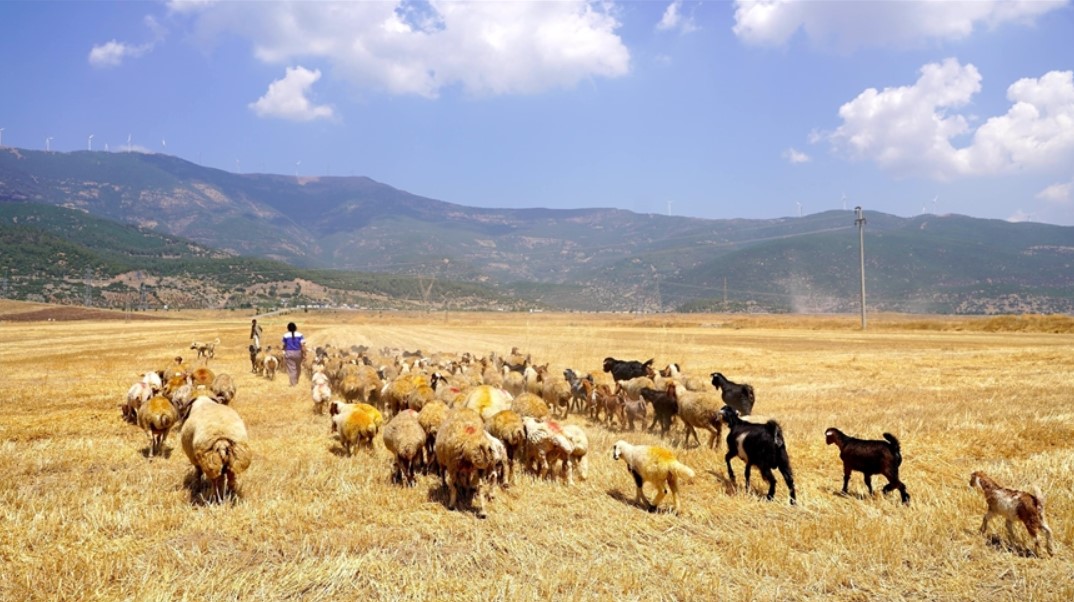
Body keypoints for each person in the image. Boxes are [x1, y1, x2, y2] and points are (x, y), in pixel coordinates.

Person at [282, 321, 306, 386]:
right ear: (295, 328)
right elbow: (303, 345)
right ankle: (296, 381)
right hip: (298, 353)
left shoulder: (285, 335)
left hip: (289, 353)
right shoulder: (300, 335)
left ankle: (293, 384)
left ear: (288, 328)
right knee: (298, 368)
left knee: (292, 369)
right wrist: (304, 354)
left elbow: (284, 346)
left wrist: (284, 353)